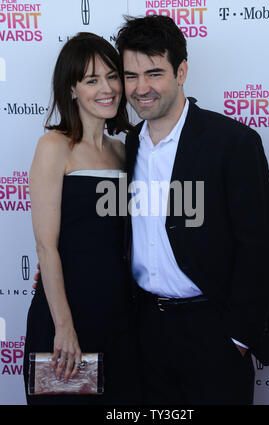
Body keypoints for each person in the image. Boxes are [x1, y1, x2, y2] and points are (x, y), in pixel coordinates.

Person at [114, 15, 269, 405]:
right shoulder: (125, 147)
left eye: (154, 73)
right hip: (145, 329)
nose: (141, 88)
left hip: (214, 332)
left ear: (182, 71)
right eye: (130, 76)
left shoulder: (232, 143)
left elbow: (258, 247)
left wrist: (238, 339)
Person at [23, 32, 141, 405]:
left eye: (112, 76)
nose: (107, 88)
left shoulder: (124, 152)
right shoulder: (54, 146)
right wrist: (64, 329)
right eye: (91, 80)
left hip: (121, 318)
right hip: (65, 316)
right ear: (71, 89)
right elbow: (46, 246)